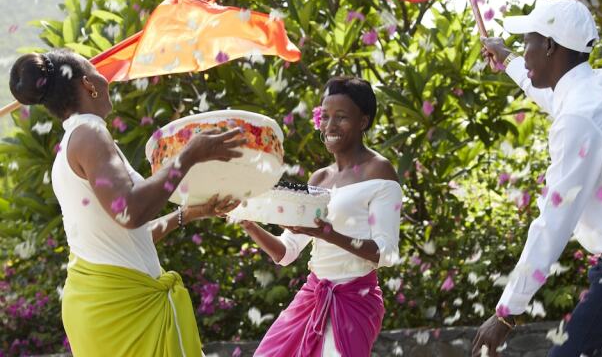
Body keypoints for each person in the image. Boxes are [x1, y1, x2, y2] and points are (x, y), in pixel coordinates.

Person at [9, 49, 246, 357]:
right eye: (98, 72)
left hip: (103, 303)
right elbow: (129, 211)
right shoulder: (91, 134)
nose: (106, 79)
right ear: (89, 85)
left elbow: (127, 237)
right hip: (122, 309)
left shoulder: (72, 145)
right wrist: (189, 155)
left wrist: (190, 213)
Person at [473, 0, 602, 357]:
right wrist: (511, 61)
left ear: (549, 45)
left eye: (527, 43)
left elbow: (553, 223)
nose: (524, 50)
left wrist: (505, 313)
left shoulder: (579, 117)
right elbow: (558, 99)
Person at [237, 77, 403, 357]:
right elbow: (286, 252)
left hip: (355, 301)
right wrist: (248, 222)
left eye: (341, 117)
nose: (330, 126)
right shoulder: (319, 179)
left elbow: (387, 254)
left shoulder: (379, 171)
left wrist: (328, 233)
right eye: (325, 117)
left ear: (363, 121)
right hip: (312, 297)